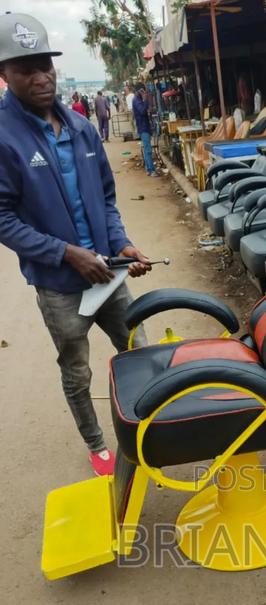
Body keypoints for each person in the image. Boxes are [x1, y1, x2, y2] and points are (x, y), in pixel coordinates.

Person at [0, 13, 151, 477]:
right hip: (61, 287)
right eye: (26, 68)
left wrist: (120, 245)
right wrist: (66, 254)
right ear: (4, 74)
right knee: (77, 370)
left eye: (45, 64)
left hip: (109, 274)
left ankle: (144, 427)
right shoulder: (4, 138)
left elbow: (105, 198)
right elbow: (3, 218)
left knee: (138, 351)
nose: (41, 76)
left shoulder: (83, 128)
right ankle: (96, 443)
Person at [132, 85, 158, 176]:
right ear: (140, 91)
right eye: (144, 91)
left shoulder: (138, 99)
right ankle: (151, 170)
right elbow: (142, 111)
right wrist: (146, 99)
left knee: (147, 149)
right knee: (148, 150)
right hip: (143, 127)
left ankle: (148, 169)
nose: (145, 93)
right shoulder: (136, 100)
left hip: (144, 126)